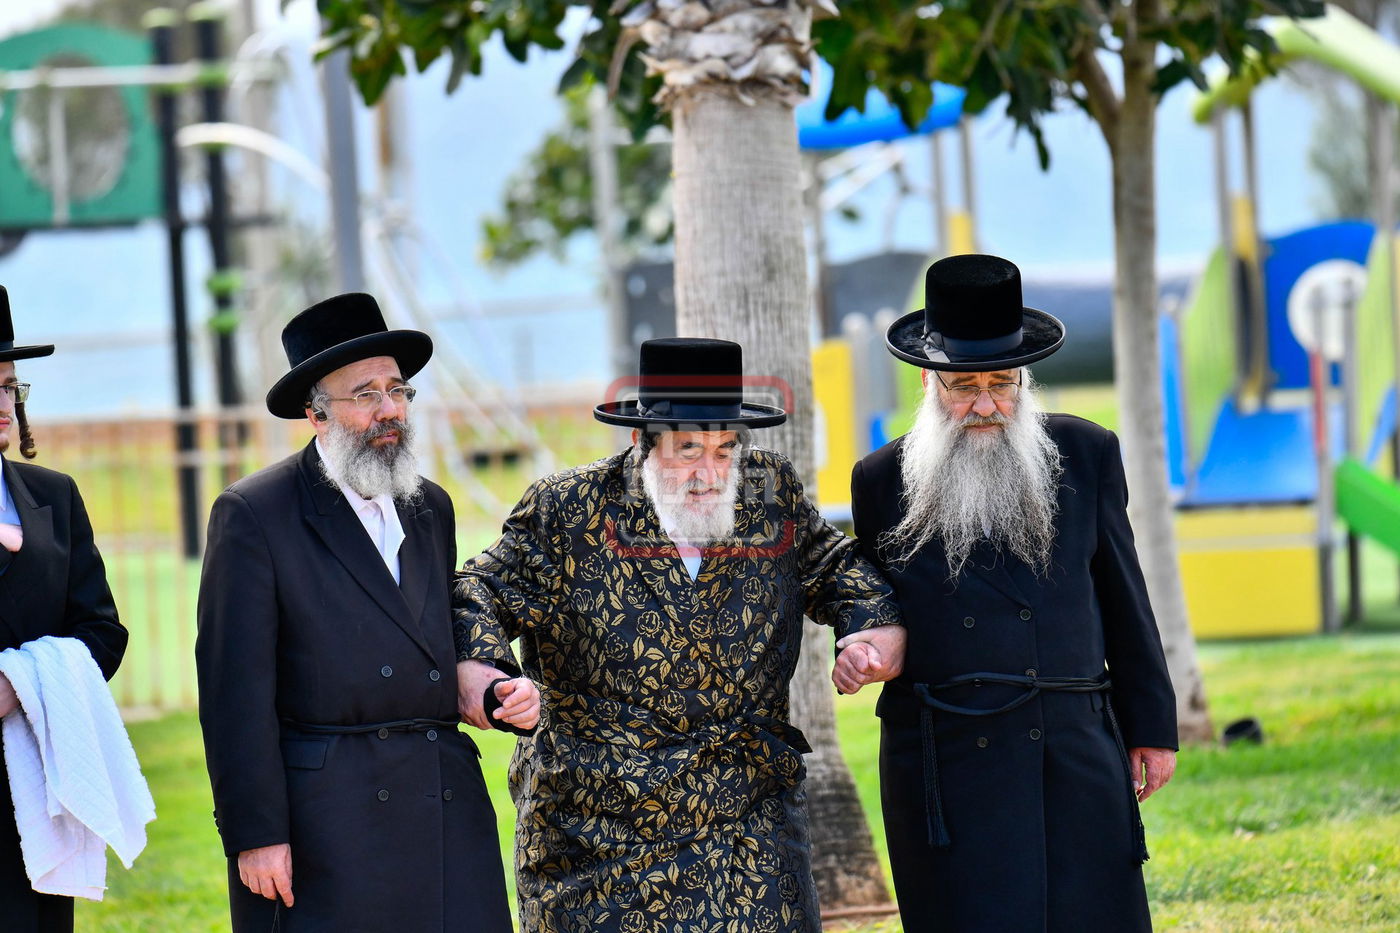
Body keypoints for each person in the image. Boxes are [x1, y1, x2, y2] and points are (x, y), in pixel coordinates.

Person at [454, 337, 905, 933]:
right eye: (688, 448)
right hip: (599, 830)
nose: (710, 472)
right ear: (643, 444)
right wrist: (490, 677)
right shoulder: (568, 510)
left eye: (724, 449)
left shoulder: (768, 493)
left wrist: (872, 632)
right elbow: (477, 589)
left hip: (747, 816)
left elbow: (835, 567)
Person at [851, 254, 1178, 932]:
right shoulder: (880, 481)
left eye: (1002, 382)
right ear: (928, 380)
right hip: (943, 757)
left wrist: (1151, 725)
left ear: (1023, 380)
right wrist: (864, 641)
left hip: (1070, 743)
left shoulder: (1086, 453)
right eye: (963, 385)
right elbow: (868, 603)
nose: (985, 403)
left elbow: (1124, 596)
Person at [195, 293, 535, 932]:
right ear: (315, 413)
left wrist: (489, 683)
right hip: (327, 814)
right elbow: (231, 691)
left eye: (398, 391)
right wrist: (256, 834)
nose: (390, 411)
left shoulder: (430, 506)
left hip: (440, 800)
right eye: (366, 395)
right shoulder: (254, 514)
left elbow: (432, 632)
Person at [0, 286, 129, 933]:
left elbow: (102, 630)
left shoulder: (55, 495)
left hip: (37, 793)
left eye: (7, 385)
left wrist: (21, 683)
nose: (0, 403)